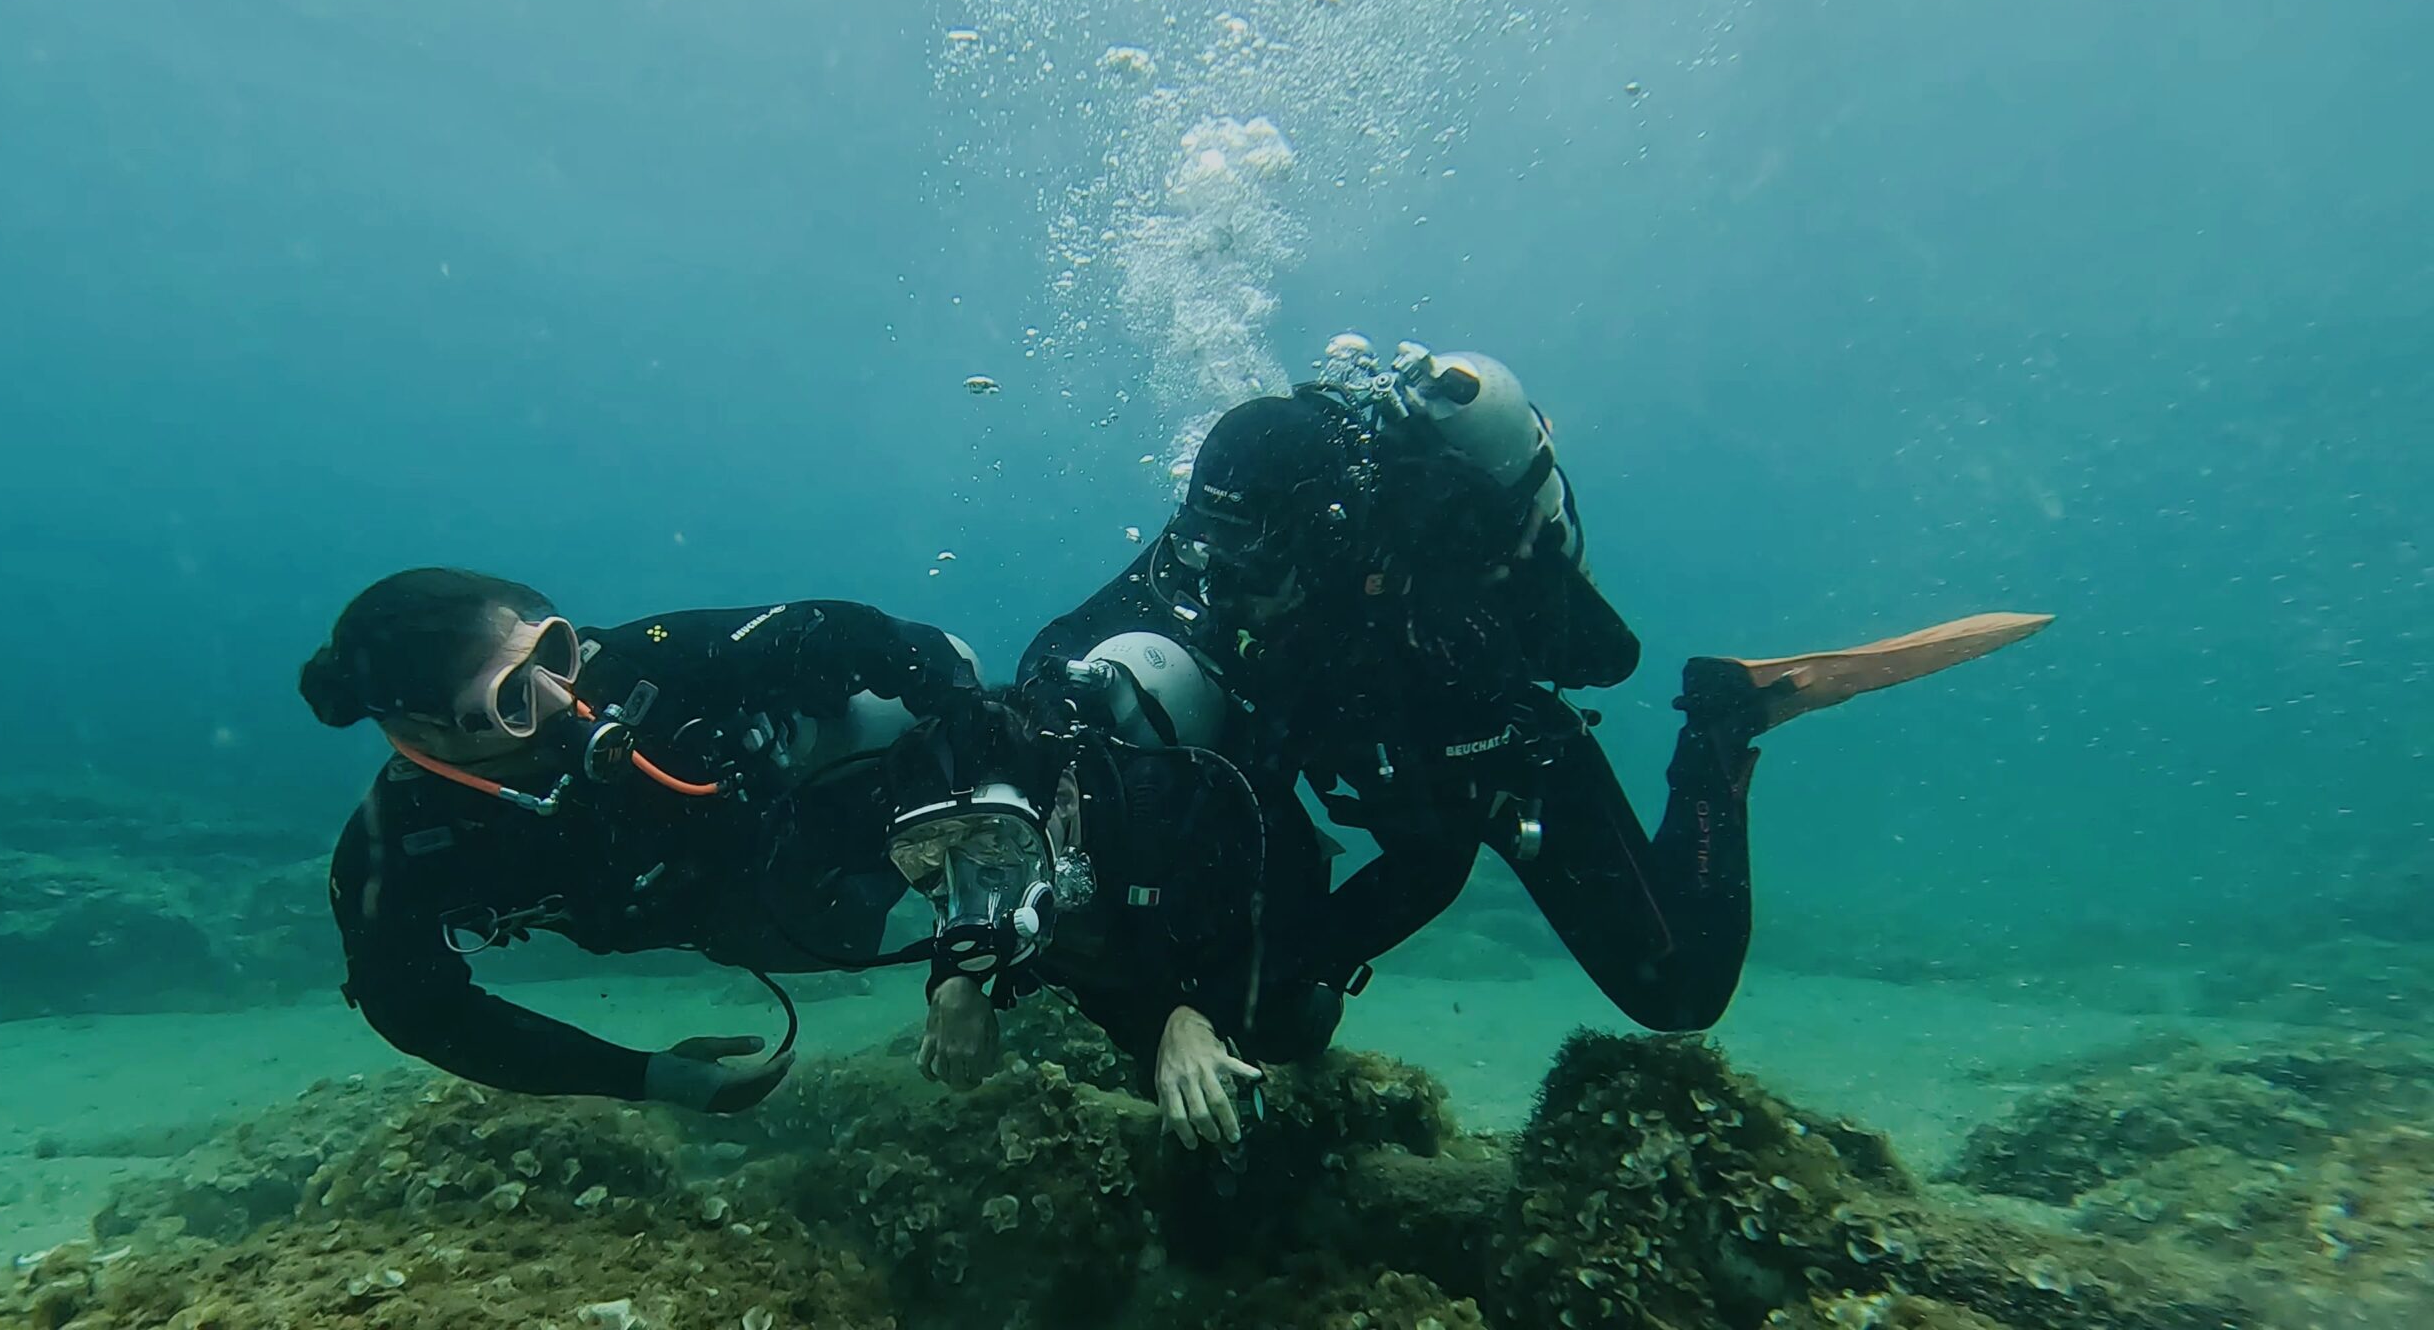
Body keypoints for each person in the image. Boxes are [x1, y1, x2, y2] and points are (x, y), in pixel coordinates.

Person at [1024, 334, 2051, 1032]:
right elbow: (1066, 643)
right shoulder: (1230, 538)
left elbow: (1433, 860)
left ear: (1325, 537)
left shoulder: (1429, 622)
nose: (1222, 589)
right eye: (1210, 552)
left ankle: (1723, 719)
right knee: (1253, 988)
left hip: (1491, 766)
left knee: (1679, 991)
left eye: (1248, 563)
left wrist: (1293, 964)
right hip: (1355, 746)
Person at [300, 567, 979, 1117]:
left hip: (835, 795)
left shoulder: (639, 663)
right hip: (762, 918)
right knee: (815, 933)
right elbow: (419, 1012)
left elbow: (853, 632)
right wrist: (646, 1077)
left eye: (553, 652)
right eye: (512, 699)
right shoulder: (401, 850)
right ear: (422, 735)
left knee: (956, 699)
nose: (562, 698)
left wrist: (971, 943)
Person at [878, 692, 1339, 1149]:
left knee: (1283, 1033)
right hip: (1122, 969)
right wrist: (954, 979)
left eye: (994, 839)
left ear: (1063, 798)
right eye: (927, 853)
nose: (968, 881)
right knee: (1153, 1069)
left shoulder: (1165, 810)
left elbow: (1288, 911)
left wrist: (1201, 1015)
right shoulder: (1028, 840)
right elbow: (964, 896)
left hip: (1223, 941)